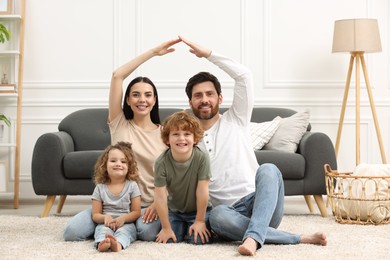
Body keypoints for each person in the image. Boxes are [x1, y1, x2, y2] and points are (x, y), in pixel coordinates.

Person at [179, 36, 327, 256]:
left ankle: (254, 235)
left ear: (220, 98)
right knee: (218, 215)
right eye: (198, 96)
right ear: (190, 102)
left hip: (262, 204)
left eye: (210, 94)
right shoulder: (186, 140)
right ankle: (290, 238)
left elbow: (244, 75)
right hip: (229, 214)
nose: (204, 100)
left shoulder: (236, 118)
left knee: (268, 169)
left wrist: (208, 54)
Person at [63, 38, 182, 242]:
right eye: (135, 95)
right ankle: (112, 226)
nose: (142, 100)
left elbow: (174, 177)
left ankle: (121, 228)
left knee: (146, 232)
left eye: (147, 95)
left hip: (149, 205)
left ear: (154, 100)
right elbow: (118, 75)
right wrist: (153, 52)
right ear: (127, 100)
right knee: (72, 233)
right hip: (112, 205)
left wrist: (157, 205)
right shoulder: (119, 123)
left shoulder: (166, 134)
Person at [154, 111, 212, 244]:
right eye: (175, 134)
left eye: (187, 134)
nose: (181, 139)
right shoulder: (161, 163)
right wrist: (166, 227)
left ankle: (193, 225)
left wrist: (199, 221)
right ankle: (181, 227)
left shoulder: (201, 157)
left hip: (198, 210)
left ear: (195, 138)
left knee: (197, 240)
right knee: (169, 240)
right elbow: (160, 197)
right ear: (167, 139)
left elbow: (202, 191)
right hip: (175, 212)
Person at [92, 141, 141, 252]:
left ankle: (117, 244)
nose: (118, 164)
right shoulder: (100, 187)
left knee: (126, 232)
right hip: (106, 223)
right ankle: (103, 243)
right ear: (104, 165)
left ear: (129, 167)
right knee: (102, 231)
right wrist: (105, 218)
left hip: (126, 222)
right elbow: (95, 215)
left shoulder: (132, 186)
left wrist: (123, 219)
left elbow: (136, 212)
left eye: (123, 162)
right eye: (113, 161)